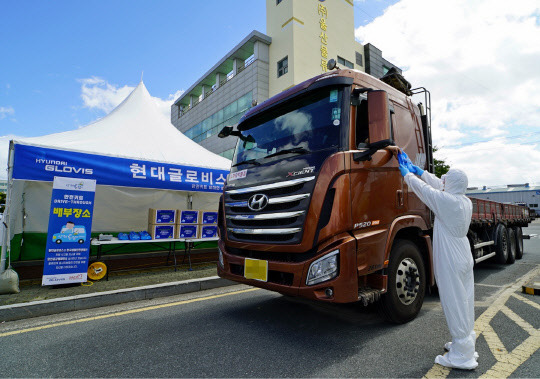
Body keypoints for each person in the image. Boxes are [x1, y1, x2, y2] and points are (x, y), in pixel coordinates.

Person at [394, 149, 478, 370]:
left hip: (451, 255)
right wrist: (419, 170)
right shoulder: (464, 201)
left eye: (446, 179)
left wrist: (407, 174)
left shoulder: (446, 201)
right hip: (463, 254)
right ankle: (466, 340)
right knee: (465, 300)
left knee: (453, 301)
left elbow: (425, 191)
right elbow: (437, 186)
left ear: (452, 184)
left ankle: (462, 355)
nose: (443, 181)